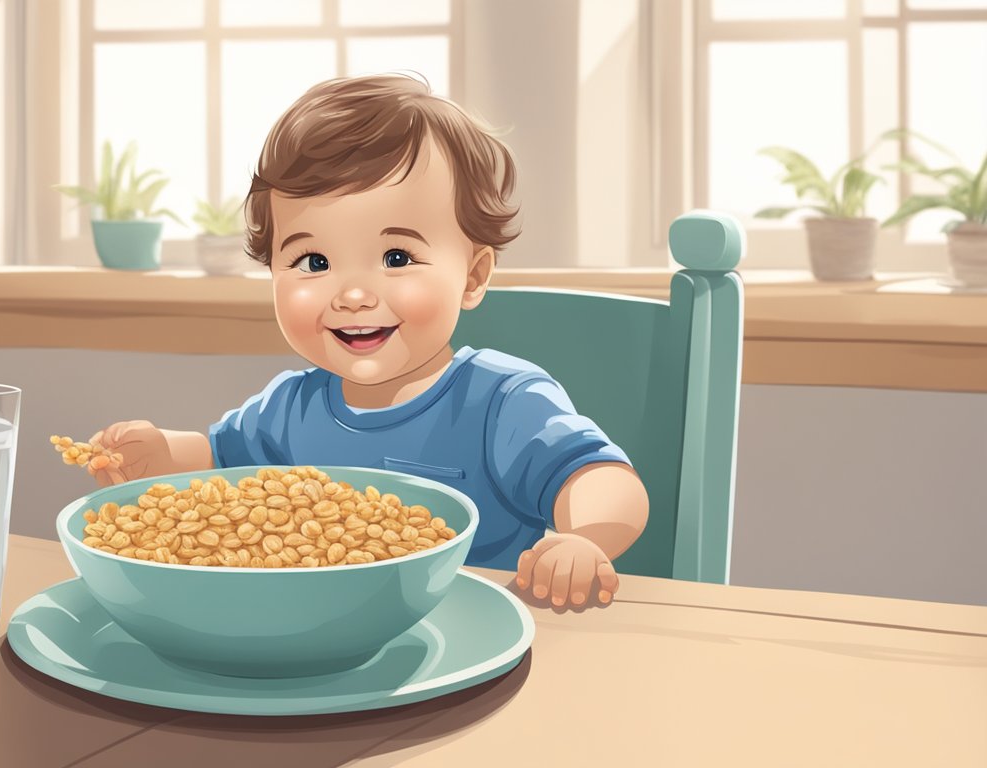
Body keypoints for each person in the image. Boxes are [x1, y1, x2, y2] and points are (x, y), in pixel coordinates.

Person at [89, 75, 648, 609]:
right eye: (314, 261)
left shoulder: (500, 401)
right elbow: (217, 458)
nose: (353, 294)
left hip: (471, 641)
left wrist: (585, 541)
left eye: (396, 258)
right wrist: (161, 451)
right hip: (319, 641)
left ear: (473, 276)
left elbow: (601, 479)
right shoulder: (290, 407)